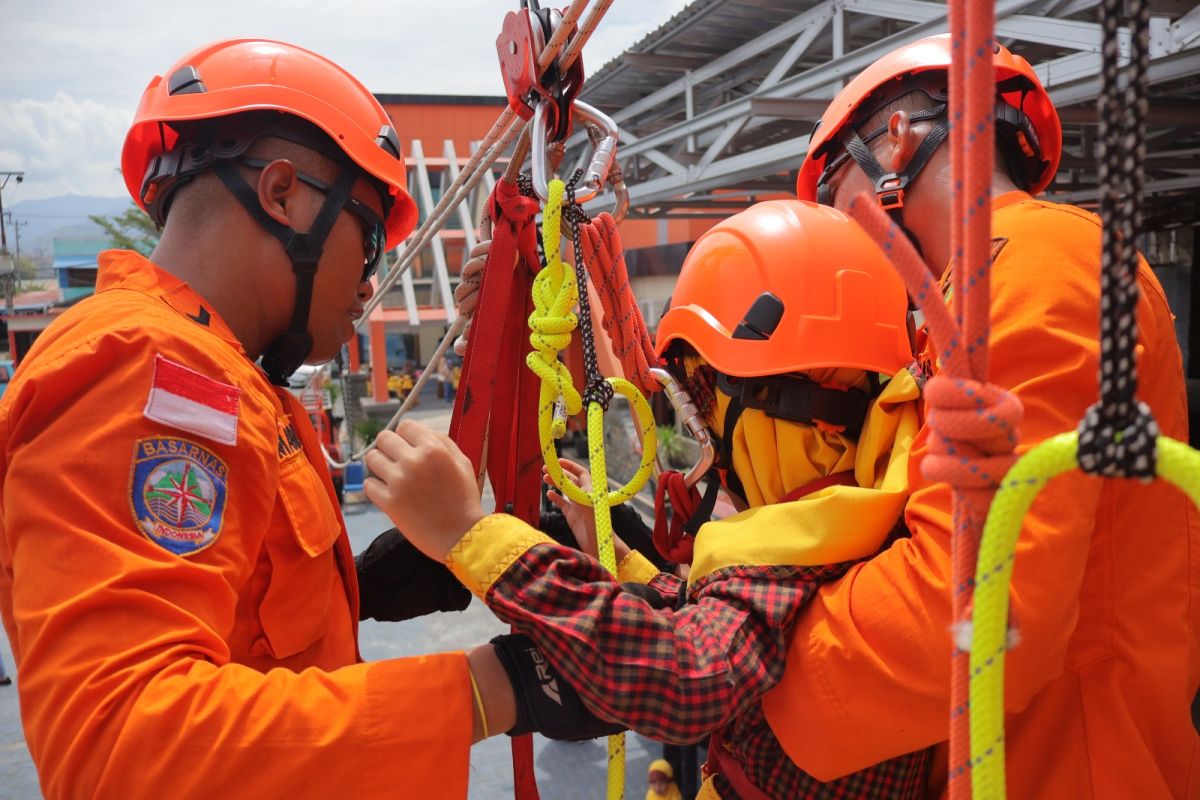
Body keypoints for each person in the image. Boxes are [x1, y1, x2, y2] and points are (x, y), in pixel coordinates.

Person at [0, 39, 614, 799]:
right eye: (368, 240)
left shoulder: (226, 374)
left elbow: (228, 601)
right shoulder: (146, 372)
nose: (368, 284)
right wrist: (498, 689)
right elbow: (124, 749)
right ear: (283, 195)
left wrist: (354, 584)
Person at [365, 200, 932, 797]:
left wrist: (470, 534)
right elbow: (712, 619)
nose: (701, 422)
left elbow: (684, 674)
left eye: (706, 393)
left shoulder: (810, 557)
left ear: (808, 414)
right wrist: (606, 544)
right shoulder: (875, 516)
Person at [760, 33, 1198, 797]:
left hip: (1069, 771)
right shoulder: (986, 284)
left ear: (896, 139)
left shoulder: (1034, 262)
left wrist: (747, 670)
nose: (832, 227)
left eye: (831, 193)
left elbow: (972, 607)